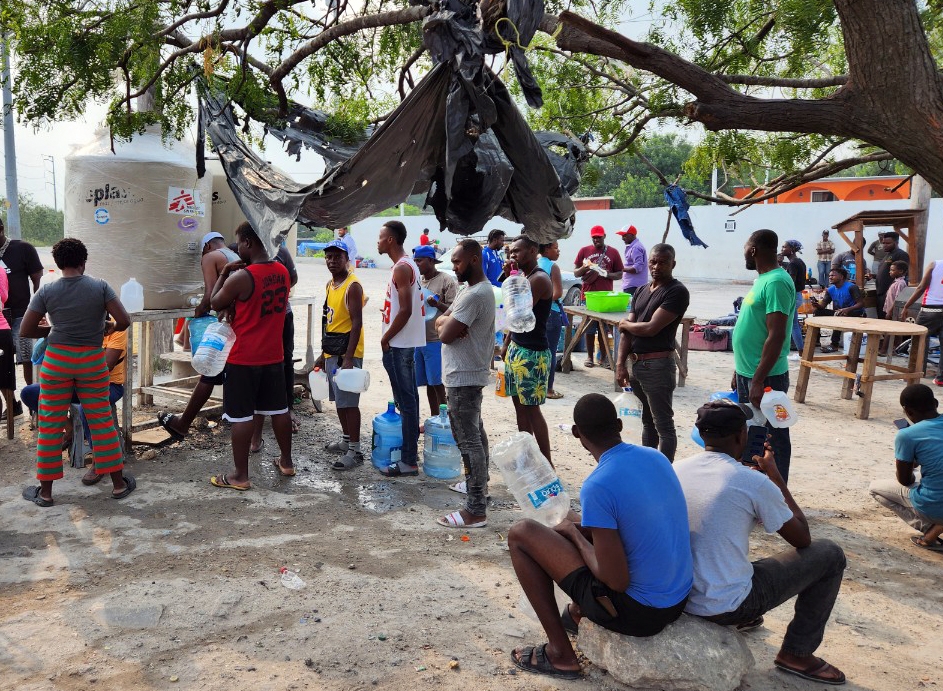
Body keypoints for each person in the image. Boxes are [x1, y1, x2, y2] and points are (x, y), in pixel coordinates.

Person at [506, 393, 692, 680]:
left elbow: (615, 580)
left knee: (522, 533)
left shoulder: (598, 484)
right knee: (569, 522)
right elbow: (628, 526)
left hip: (640, 614)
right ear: (619, 423)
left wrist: (574, 534)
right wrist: (575, 525)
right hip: (677, 599)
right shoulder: (655, 457)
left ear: (577, 433)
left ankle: (560, 654)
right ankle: (580, 612)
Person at [674, 399, 846, 686]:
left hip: (678, 596)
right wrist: (775, 476)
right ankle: (797, 653)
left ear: (700, 433)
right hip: (722, 604)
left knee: (729, 551)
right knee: (829, 553)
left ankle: (747, 618)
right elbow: (802, 537)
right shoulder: (752, 481)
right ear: (742, 435)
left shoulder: (674, 468)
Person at [19, 238, 134, 507]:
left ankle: (46, 493)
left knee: (49, 423)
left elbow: (25, 331)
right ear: (83, 262)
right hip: (92, 360)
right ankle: (118, 486)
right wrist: (104, 328)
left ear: (59, 265)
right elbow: (125, 321)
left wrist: (54, 331)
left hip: (57, 360)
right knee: (101, 420)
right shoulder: (100, 286)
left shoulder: (47, 291)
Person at [208, 222, 293, 490]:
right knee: (279, 409)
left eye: (239, 244)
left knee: (240, 416)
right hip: (274, 356)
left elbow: (214, 302)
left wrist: (223, 274)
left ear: (247, 242)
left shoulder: (242, 277)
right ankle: (287, 462)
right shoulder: (282, 271)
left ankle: (240, 476)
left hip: (244, 357)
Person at [156, 232, 242, 442]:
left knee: (209, 370)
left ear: (206, 246)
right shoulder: (232, 255)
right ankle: (236, 422)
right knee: (228, 372)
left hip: (222, 321)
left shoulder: (210, 257)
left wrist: (198, 311)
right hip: (238, 320)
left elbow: (211, 296)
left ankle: (182, 424)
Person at [435, 239, 495, 529]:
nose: (454, 267)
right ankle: (480, 488)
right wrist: (446, 324)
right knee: (476, 435)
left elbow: (445, 333)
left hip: (464, 376)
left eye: (457, 261)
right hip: (467, 373)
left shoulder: (475, 295)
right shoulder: (468, 290)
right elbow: (443, 323)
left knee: (468, 441)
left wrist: (446, 326)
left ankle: (475, 510)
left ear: (473, 259)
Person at [21, 329, 126, 485]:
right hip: (73, 382)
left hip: (107, 385)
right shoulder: (74, 325)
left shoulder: (115, 329)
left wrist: (70, 370)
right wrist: (50, 332)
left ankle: (99, 461)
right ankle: (69, 429)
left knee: (87, 407)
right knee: (30, 393)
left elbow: (106, 366)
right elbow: (37, 356)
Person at [615, 243, 689, 461]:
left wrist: (626, 325)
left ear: (673, 264)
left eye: (662, 262)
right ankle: (649, 467)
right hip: (637, 365)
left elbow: (650, 328)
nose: (656, 267)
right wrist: (620, 364)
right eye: (653, 262)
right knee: (647, 422)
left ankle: (665, 472)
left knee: (663, 425)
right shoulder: (641, 290)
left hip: (658, 365)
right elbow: (627, 333)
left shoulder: (677, 291)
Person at [732, 229, 795, 482]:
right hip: (750, 374)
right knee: (754, 436)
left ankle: (779, 497)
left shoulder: (777, 282)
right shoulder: (763, 280)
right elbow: (752, 327)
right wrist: (739, 370)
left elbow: (776, 335)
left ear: (754, 250)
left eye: (746, 248)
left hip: (767, 379)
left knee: (774, 439)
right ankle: (759, 491)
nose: (744, 254)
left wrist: (758, 380)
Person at [377, 220, 426, 477]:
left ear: (391, 241)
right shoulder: (406, 265)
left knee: (407, 403)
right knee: (408, 401)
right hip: (403, 343)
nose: (378, 241)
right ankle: (410, 452)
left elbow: (406, 310)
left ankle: (408, 461)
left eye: (381, 237)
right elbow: (400, 307)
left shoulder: (402, 268)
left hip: (399, 345)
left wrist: (386, 337)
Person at [869, 384, 943, 551]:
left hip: (935, 505)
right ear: (936, 403)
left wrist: (911, 461)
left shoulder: (907, 435)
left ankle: (932, 528)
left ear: (908, 412)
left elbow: (904, 480)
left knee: (875, 488)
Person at [503, 236, 554, 463]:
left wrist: (510, 279)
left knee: (532, 409)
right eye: (511, 252)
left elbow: (519, 312)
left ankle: (546, 462)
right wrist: (506, 345)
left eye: (518, 251)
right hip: (518, 348)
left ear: (533, 251)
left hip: (533, 353)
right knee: (519, 406)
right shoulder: (524, 278)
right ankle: (527, 455)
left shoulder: (539, 279)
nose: (513, 255)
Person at [317, 239, 365, 470]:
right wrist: (323, 353)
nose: (332, 261)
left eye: (337, 256)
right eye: (329, 256)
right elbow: (329, 320)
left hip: (347, 353)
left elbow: (356, 323)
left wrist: (348, 358)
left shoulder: (353, 286)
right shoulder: (330, 284)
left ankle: (355, 451)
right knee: (338, 401)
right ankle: (346, 441)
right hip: (332, 351)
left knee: (350, 403)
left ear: (347, 259)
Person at [0, 218, 43, 418]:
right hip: (0, 317)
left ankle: (34, 403)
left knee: (27, 357)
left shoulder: (22, 248)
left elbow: (37, 281)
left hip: (21, 314)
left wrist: (38, 310)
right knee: (3, 362)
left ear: (1, 229)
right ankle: (13, 403)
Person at [413, 245, 458, 417]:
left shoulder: (446, 280)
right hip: (419, 340)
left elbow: (455, 310)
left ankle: (445, 419)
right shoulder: (418, 282)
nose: (417, 264)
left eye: (420, 260)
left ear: (431, 261)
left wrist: (437, 304)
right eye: (415, 260)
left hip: (436, 340)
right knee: (428, 384)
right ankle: (434, 418)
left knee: (438, 383)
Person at [573, 225, 624, 368]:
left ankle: (604, 357)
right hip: (588, 296)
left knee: (604, 329)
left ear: (604, 236)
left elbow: (620, 273)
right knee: (589, 328)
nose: (596, 240)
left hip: (605, 297)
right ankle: (589, 357)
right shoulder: (584, 251)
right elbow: (576, 273)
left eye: (599, 237)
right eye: (594, 237)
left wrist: (606, 274)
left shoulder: (613, 252)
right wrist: (586, 267)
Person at [899, 259, 943, 386]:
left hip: (930, 310)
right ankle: (940, 379)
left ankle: (914, 373)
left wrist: (907, 306)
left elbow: (921, 287)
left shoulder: (935, 264)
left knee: (918, 342)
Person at [810, 266, 864, 353]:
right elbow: (823, 306)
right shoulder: (830, 290)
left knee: (839, 315)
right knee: (817, 312)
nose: (830, 277)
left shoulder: (852, 287)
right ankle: (816, 340)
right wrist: (817, 305)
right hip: (840, 312)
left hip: (855, 313)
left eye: (833, 275)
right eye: (829, 275)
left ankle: (834, 344)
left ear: (841, 277)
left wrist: (848, 309)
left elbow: (861, 304)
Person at [537, 241, 564, 399]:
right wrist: (545, 302)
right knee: (551, 353)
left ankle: (538, 386)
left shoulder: (535, 264)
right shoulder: (552, 267)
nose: (558, 251)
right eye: (555, 248)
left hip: (537, 314)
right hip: (551, 313)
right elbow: (558, 292)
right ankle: (548, 389)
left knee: (539, 351)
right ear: (547, 249)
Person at [779, 239, 807, 353]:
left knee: (790, 325)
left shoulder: (793, 264)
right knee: (793, 325)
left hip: (793, 297)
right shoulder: (799, 261)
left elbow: (791, 282)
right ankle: (801, 350)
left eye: (784, 247)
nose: (782, 249)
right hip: (798, 296)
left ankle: (798, 350)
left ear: (792, 250)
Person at [875, 232, 909, 320]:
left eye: (888, 243)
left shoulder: (901, 254)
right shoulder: (887, 255)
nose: (884, 245)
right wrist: (874, 276)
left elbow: (902, 273)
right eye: (883, 243)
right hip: (881, 294)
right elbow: (885, 272)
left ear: (896, 243)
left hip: (890, 294)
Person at [617, 225, 648, 296]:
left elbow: (637, 268)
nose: (622, 238)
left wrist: (621, 269)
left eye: (624, 235)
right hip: (632, 285)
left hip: (634, 286)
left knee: (632, 306)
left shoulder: (636, 248)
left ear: (632, 235)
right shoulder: (635, 246)